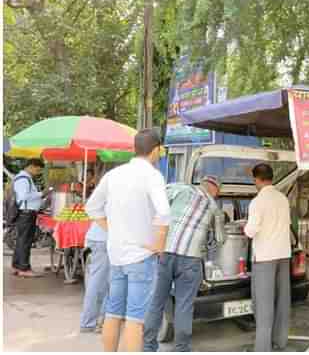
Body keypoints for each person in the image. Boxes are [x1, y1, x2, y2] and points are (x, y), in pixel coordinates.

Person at [86, 129, 171, 352]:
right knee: (135, 319)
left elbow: (92, 207)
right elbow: (164, 212)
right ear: (156, 150)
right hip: (141, 257)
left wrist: (113, 230)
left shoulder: (114, 175)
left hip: (117, 255)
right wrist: (159, 244)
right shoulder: (153, 176)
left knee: (113, 313)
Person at [144, 175, 224, 352]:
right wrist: (206, 239)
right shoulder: (214, 207)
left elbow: (155, 205)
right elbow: (220, 239)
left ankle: (148, 347)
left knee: (156, 302)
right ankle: (181, 349)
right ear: (215, 190)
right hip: (190, 261)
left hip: (165, 253)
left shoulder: (180, 188)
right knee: (184, 306)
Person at [244, 163, 292, 352]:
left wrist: (244, 228)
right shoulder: (283, 199)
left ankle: (262, 349)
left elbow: (251, 230)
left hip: (265, 257)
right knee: (282, 301)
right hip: (283, 254)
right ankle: (280, 342)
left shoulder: (257, 201)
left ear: (256, 179)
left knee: (263, 306)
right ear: (271, 178)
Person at [11, 158, 48, 278]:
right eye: (38, 169)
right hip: (26, 214)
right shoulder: (23, 179)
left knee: (22, 240)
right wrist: (41, 193)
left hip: (26, 213)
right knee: (25, 241)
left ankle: (17, 265)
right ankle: (24, 268)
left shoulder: (25, 178)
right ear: (31, 166)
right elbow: (24, 196)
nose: (38, 172)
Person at [79, 216, 110, 333]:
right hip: (103, 240)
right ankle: (89, 322)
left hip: (101, 239)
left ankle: (100, 320)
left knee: (104, 282)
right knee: (98, 283)